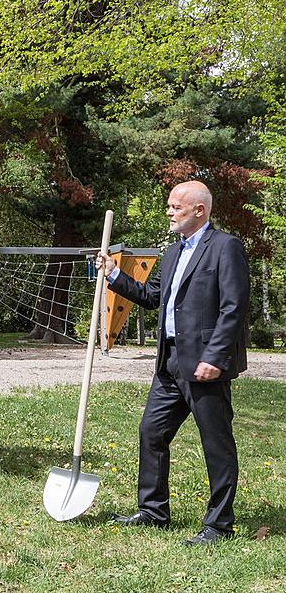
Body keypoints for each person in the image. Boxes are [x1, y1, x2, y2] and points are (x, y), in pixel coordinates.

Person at [96, 180, 250, 546]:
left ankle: (219, 525)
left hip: (205, 362)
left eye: (176, 206)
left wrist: (215, 356)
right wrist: (115, 275)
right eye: (168, 205)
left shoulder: (225, 247)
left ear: (200, 210)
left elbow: (234, 307)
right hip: (170, 362)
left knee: (216, 443)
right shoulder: (172, 253)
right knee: (152, 431)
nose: (169, 211)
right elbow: (152, 297)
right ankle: (153, 511)